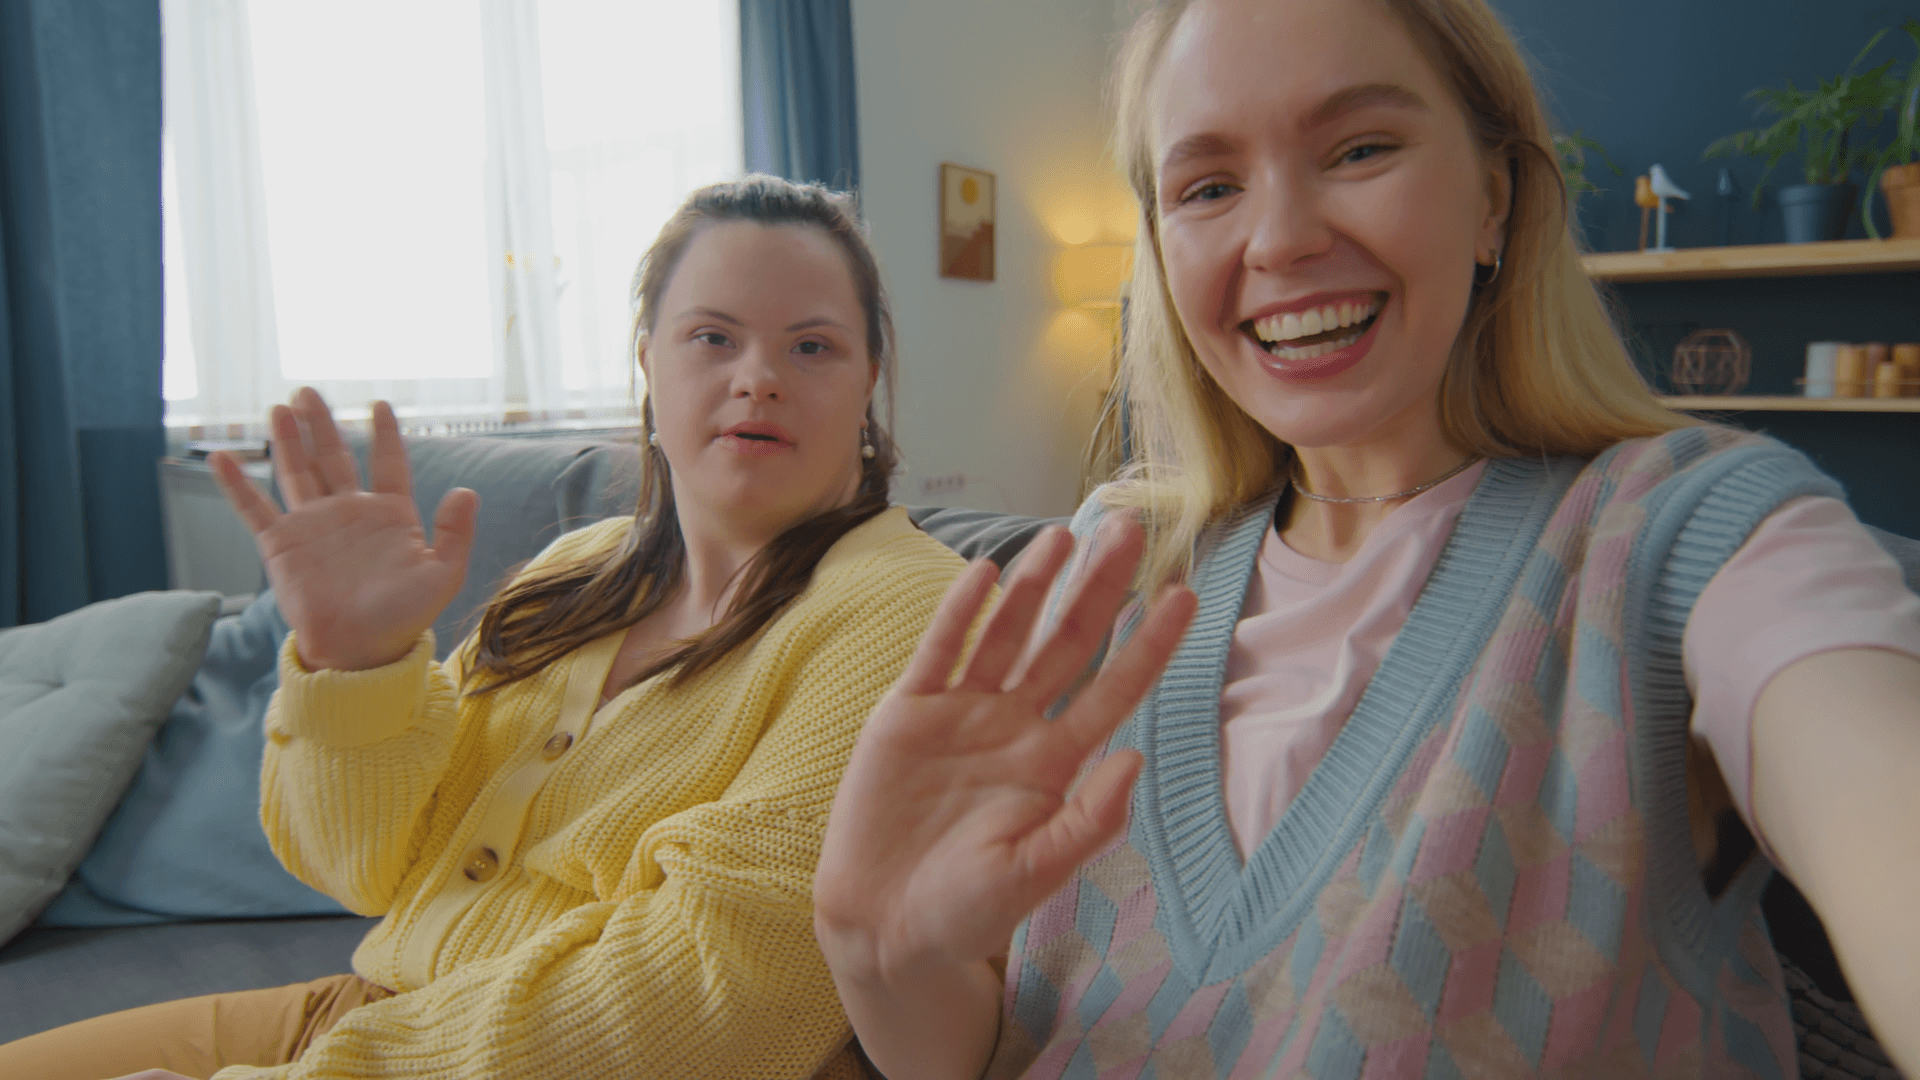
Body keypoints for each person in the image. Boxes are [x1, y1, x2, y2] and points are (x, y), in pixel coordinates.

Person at [810, 1, 1920, 1077]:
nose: (1282, 239)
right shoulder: (1114, 560)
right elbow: (974, 1048)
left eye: (1359, 149)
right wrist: (878, 951)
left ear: (1493, 196)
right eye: (1207, 186)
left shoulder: (1690, 538)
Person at [0, 175, 968, 1080]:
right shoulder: (574, 569)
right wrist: (357, 665)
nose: (758, 377)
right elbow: (367, 870)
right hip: (359, 1008)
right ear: (647, 363)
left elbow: (722, 994)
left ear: (869, 381)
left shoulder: (902, 608)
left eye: (812, 346)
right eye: (712, 337)